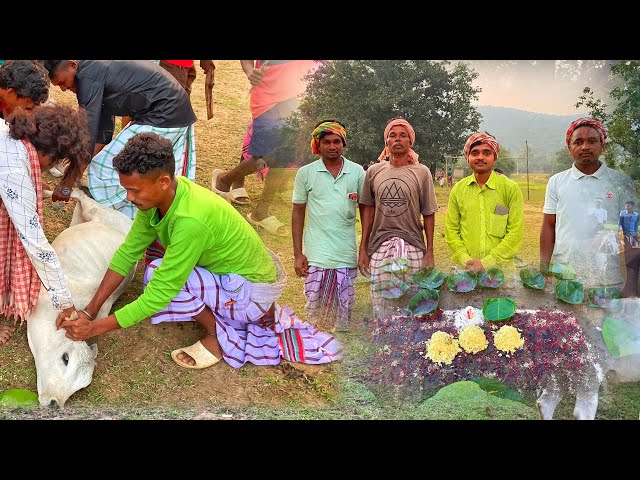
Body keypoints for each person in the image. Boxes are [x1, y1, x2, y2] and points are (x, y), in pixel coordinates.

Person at [56, 132, 341, 369]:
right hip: (234, 277)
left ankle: (218, 335)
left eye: (135, 191)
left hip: (251, 291)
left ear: (163, 181)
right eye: (127, 190)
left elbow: (159, 295)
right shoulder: (160, 197)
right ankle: (223, 318)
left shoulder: (189, 221)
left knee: (159, 277)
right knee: (157, 268)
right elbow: (128, 252)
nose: (129, 199)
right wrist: (90, 310)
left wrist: (95, 329)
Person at [41, 60, 197, 219]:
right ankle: (138, 217)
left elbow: (88, 134)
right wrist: (77, 169)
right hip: (169, 111)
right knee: (114, 165)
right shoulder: (91, 71)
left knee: (105, 168)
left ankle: (119, 220)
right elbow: (103, 132)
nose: (63, 88)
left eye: (63, 82)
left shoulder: (88, 76)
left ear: (72, 65)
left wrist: (68, 183)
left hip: (165, 113)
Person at [0, 104, 92, 345]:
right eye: (54, 163)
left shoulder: (9, 134)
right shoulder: (14, 169)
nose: (48, 169)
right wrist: (65, 302)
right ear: (49, 154)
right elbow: (37, 245)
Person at [212, 60, 317, 236]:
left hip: (299, 96)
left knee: (283, 156)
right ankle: (225, 179)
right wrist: (249, 71)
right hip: (269, 97)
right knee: (264, 155)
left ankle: (261, 211)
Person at [540, 118, 638, 291]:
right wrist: (543, 266)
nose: (585, 146)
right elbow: (549, 225)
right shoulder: (556, 182)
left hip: (608, 278)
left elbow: (632, 234)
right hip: (565, 275)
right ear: (569, 148)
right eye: (578, 142)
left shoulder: (620, 182)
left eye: (592, 141)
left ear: (602, 145)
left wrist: (631, 282)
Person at [358, 118, 438, 318]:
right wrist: (363, 249)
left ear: (410, 142)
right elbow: (368, 209)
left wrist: (429, 251)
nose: (398, 139)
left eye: (403, 135)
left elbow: (428, 213)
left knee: (414, 302)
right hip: (380, 246)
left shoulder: (422, 172)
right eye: (392, 135)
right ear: (386, 142)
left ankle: (411, 345)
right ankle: (384, 341)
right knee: (382, 302)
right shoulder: (374, 172)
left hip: (413, 246)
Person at [292, 120, 365, 332]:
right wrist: (298, 254)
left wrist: (364, 249)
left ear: (344, 143)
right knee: (315, 305)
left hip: (345, 251)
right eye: (326, 142)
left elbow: (366, 210)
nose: (332, 146)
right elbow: (298, 212)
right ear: (318, 144)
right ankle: (317, 332)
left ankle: (340, 332)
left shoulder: (357, 172)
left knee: (344, 302)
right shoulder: (306, 173)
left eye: (337, 141)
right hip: (316, 252)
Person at [444, 132, 524, 273]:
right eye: (475, 153)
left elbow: (515, 233)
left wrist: (487, 262)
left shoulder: (510, 188)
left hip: (501, 273)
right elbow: (451, 230)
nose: (480, 157)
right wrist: (465, 259)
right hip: (466, 271)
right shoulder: (458, 190)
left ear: (494, 157)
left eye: (486, 153)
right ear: (467, 157)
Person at [619, 200, 640, 297]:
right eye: (626, 206)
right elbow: (620, 224)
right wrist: (621, 233)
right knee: (626, 252)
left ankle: (634, 265)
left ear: (632, 206)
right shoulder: (622, 214)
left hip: (634, 235)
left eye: (629, 206)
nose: (627, 207)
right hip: (625, 234)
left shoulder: (636, 214)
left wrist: (636, 233)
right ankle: (626, 263)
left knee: (636, 252)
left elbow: (636, 225)